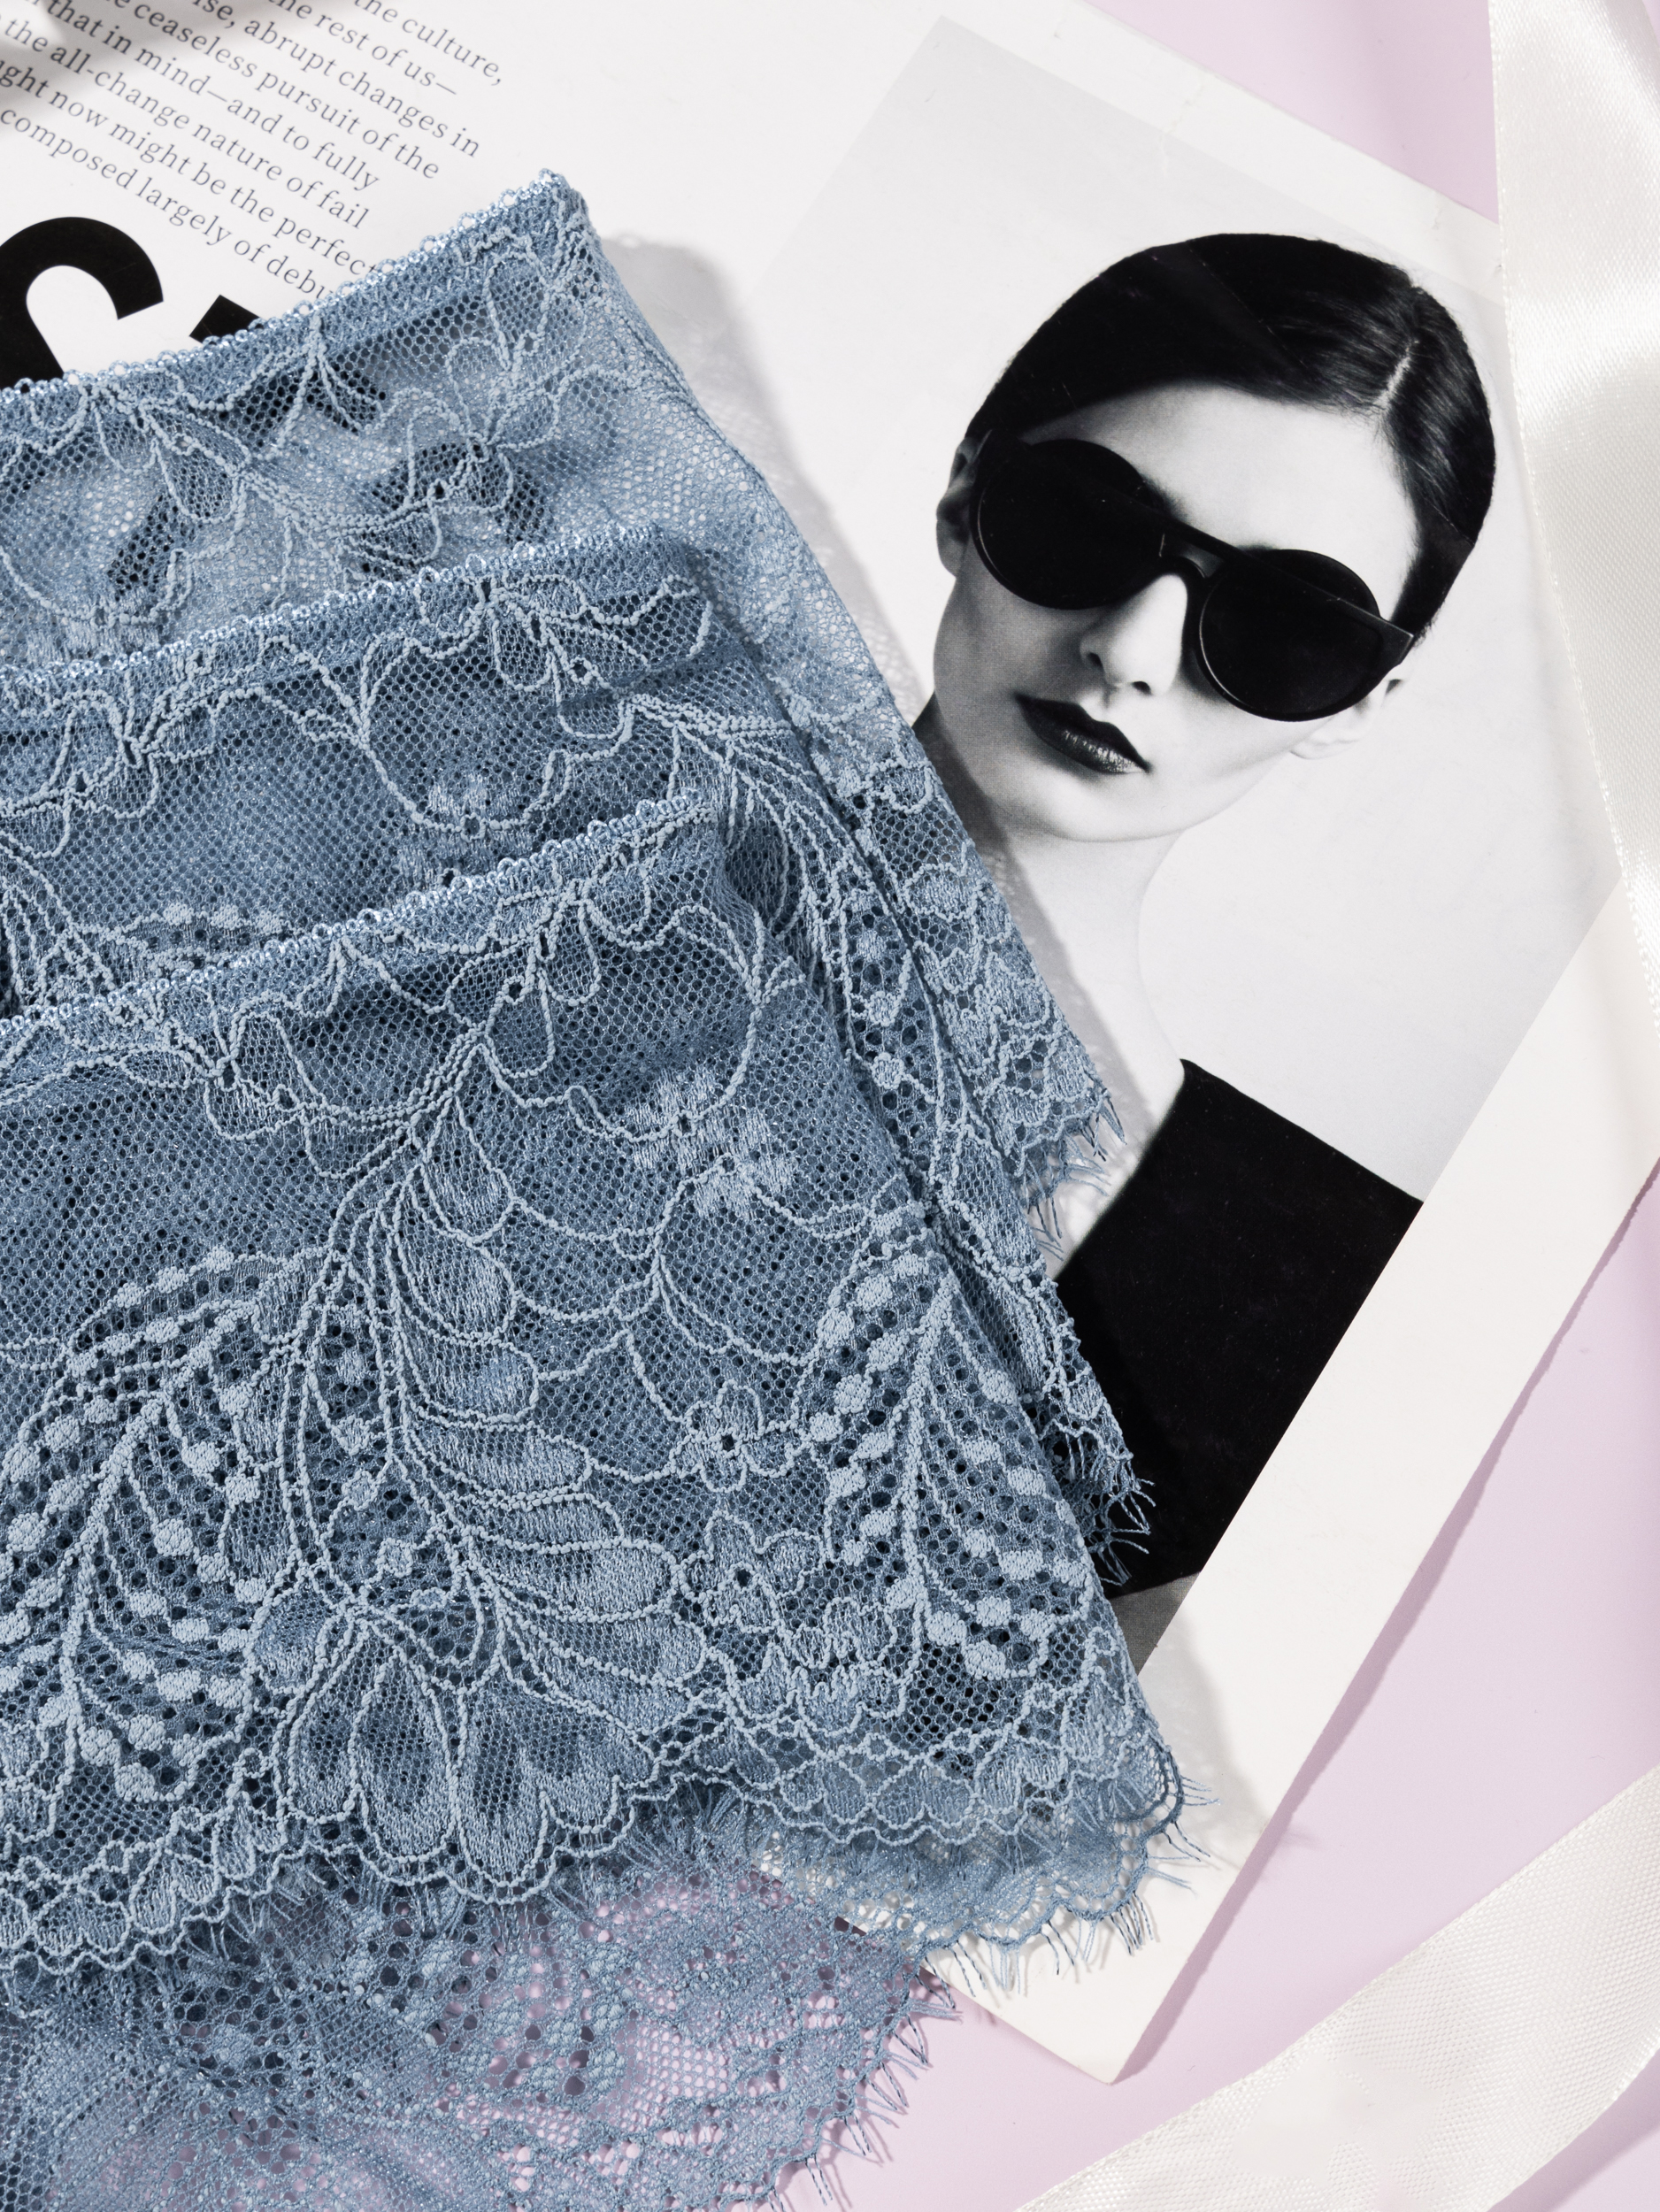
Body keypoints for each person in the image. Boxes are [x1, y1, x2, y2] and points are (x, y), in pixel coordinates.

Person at [914, 234, 1496, 1603]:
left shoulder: (1332, 1303)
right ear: (966, 493)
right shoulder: (507, 843)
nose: (1131, 651)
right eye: (1085, 522)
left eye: (1285, 624)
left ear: (1363, 700)